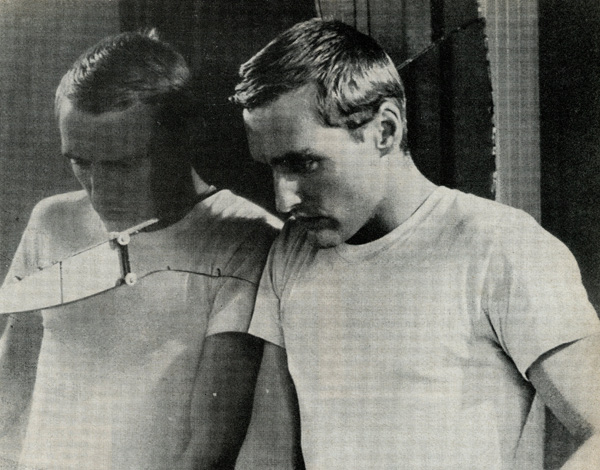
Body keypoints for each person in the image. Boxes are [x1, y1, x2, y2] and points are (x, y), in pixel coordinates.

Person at [232, 18, 600, 469]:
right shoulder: (292, 253)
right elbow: (268, 453)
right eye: (271, 167)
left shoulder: (500, 244)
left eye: (304, 163)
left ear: (385, 130)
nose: (283, 199)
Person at [0, 30, 281, 470]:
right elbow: (11, 378)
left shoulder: (247, 239)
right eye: (79, 161)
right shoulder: (50, 221)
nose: (98, 190)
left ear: (182, 137)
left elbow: (211, 444)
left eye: (122, 164)